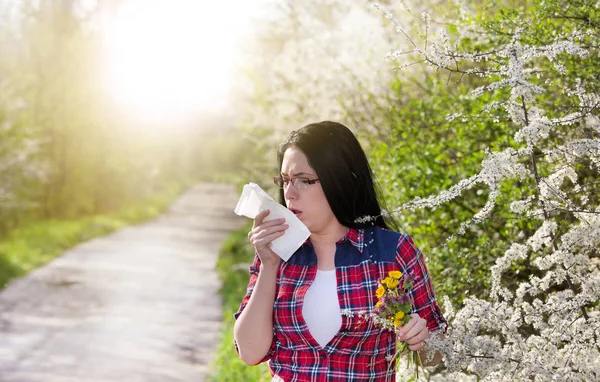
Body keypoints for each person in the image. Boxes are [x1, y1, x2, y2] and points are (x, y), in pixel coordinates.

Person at [233, 121, 447, 381]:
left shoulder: (392, 252)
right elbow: (250, 352)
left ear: (340, 180)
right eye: (286, 180)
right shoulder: (276, 251)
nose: (289, 193)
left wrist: (421, 338)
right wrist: (268, 265)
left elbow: (438, 358)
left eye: (304, 180)